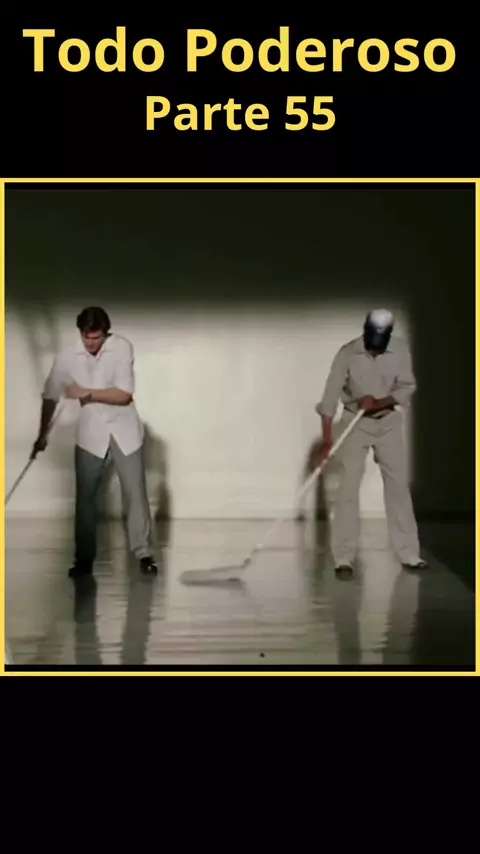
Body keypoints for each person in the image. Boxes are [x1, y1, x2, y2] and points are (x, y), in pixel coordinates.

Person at [32, 306, 158, 579]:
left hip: (125, 431)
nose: (91, 343)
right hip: (91, 434)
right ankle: (84, 560)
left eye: (96, 337)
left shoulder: (121, 347)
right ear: (80, 333)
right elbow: (50, 395)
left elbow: (124, 394)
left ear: (105, 332)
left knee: (135, 493)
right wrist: (42, 434)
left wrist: (83, 392)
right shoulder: (67, 355)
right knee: (85, 499)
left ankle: (144, 554)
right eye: (86, 337)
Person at [314, 308, 427, 579]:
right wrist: (327, 440)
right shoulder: (347, 353)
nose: (375, 345)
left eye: (381, 338)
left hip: (388, 423)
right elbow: (329, 399)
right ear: (365, 330)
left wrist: (379, 402)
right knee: (348, 489)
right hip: (355, 423)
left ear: (388, 334)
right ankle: (344, 558)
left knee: (398, 487)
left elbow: (406, 388)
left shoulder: (400, 350)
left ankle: (409, 553)